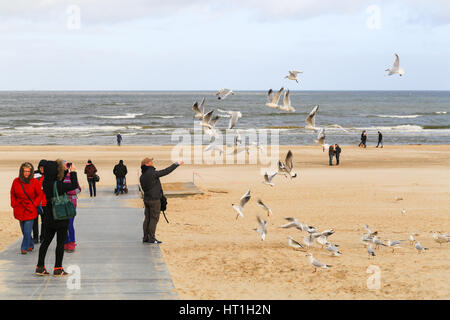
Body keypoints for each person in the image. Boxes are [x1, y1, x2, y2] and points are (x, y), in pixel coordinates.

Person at [35, 160, 79, 276]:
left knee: (45, 243)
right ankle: (58, 268)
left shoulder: (46, 182)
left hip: (49, 218)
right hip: (60, 218)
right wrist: (73, 172)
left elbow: (58, 180)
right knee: (60, 244)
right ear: (55, 172)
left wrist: (64, 170)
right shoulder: (59, 185)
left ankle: (40, 267)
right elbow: (73, 185)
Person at [140, 157, 183, 244]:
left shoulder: (142, 175)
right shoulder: (151, 173)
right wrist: (176, 164)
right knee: (154, 219)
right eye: (150, 161)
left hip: (147, 199)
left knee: (147, 219)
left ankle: (145, 237)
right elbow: (166, 171)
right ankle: (151, 238)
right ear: (147, 164)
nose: (152, 162)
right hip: (154, 200)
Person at [10, 162, 44, 254]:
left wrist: (34, 204)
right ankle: (30, 244)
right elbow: (12, 193)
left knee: (27, 230)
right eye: (25, 171)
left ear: (31, 172)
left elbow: (39, 194)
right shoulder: (16, 181)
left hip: (30, 208)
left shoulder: (34, 182)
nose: (26, 173)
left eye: (28, 171)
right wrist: (14, 203)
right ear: (21, 171)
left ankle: (23, 247)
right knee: (23, 230)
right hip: (19, 208)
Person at [63, 161, 81, 253]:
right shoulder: (60, 178)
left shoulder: (72, 176)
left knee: (70, 224)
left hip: (72, 205)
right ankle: (65, 242)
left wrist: (68, 191)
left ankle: (72, 242)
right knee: (63, 225)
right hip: (62, 205)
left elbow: (78, 189)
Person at [32, 159, 47, 244]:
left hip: (45, 202)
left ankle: (43, 237)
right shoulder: (34, 174)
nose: (42, 169)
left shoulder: (49, 175)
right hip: (35, 202)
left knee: (44, 221)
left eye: (43, 168)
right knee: (34, 221)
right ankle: (35, 237)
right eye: (40, 167)